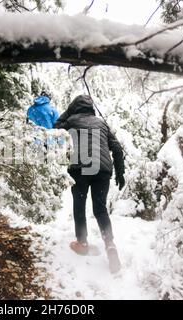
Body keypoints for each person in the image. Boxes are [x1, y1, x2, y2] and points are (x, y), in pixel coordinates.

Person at [54, 94, 125, 274]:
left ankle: (82, 242)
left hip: (80, 168)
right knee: (100, 209)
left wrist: (68, 112)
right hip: (103, 170)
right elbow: (117, 148)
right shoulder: (101, 123)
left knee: (80, 205)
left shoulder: (70, 120)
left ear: (74, 107)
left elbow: (55, 130)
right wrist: (120, 172)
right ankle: (110, 244)